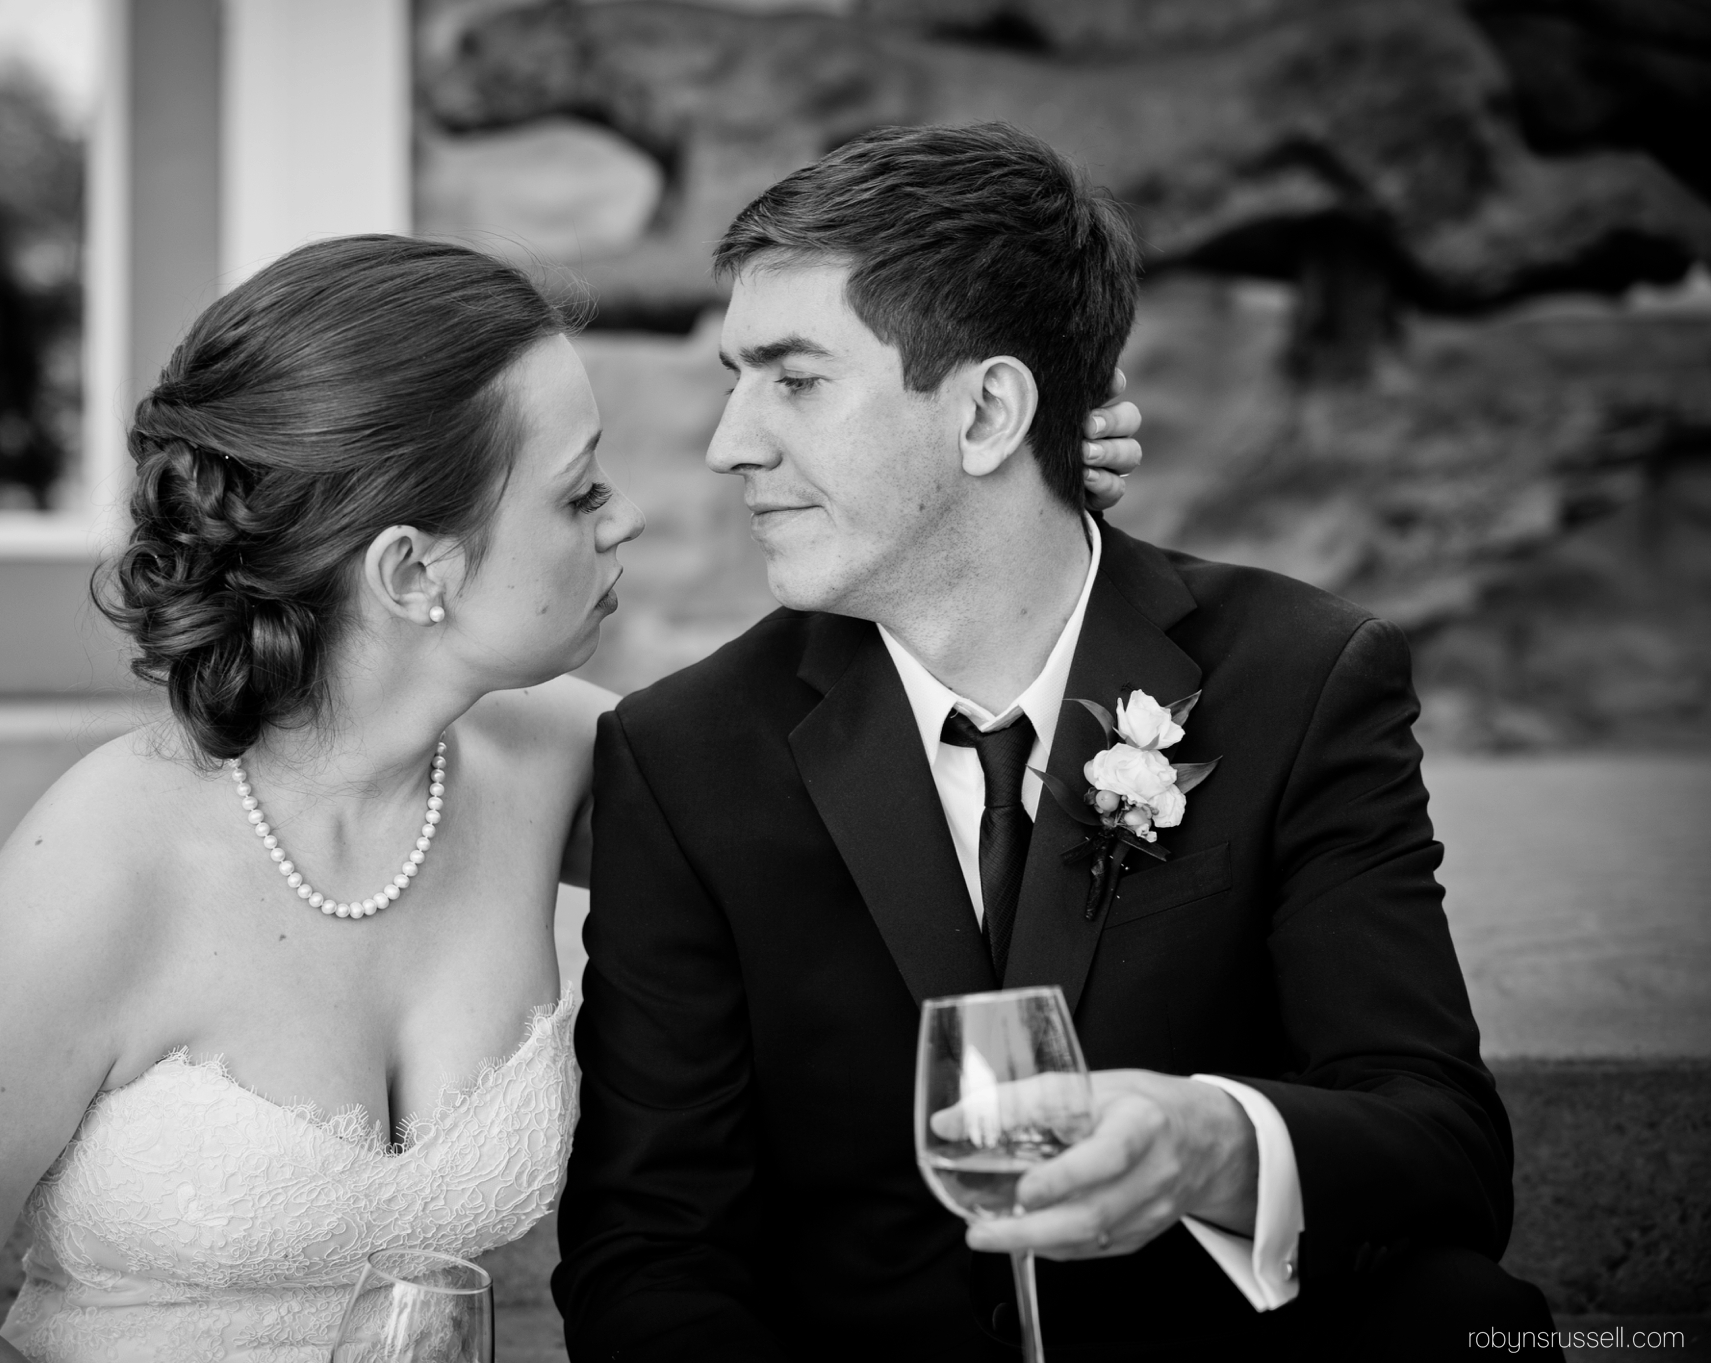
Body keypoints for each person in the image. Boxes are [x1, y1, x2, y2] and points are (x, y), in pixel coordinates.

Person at [0, 234, 1144, 1361]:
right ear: (413, 572)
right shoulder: (102, 860)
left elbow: (845, 782)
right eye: (577, 493)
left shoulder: (560, 765)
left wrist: (985, 505)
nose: (621, 522)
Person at [552, 124, 1559, 1361]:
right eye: (734, 377)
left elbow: (1440, 1149)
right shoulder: (687, 753)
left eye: (794, 378)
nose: (730, 442)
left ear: (986, 410)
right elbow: (653, 1247)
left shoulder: (1297, 680)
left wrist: (1211, 1140)